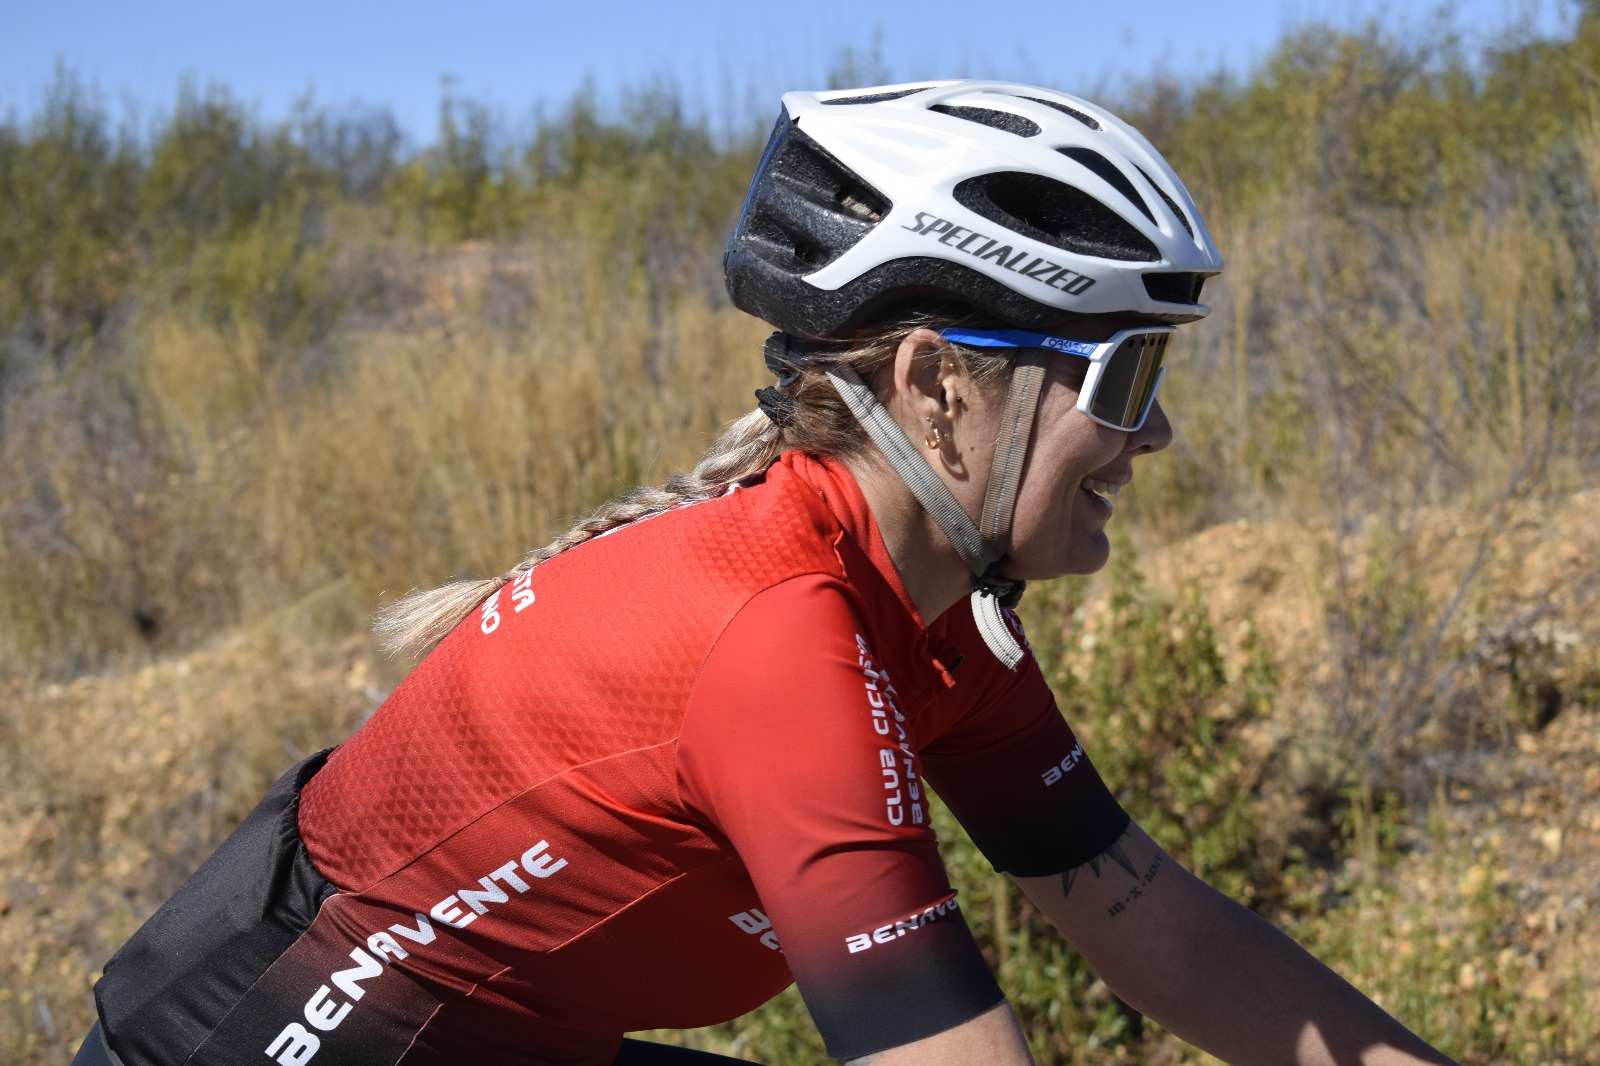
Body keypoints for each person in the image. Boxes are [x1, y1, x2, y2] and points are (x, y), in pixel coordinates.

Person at [75, 81, 1455, 1066]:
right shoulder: (783, 638)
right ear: (938, 387)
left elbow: (1155, 925)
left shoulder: (928, 611)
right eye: (1125, 377)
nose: (1155, 434)